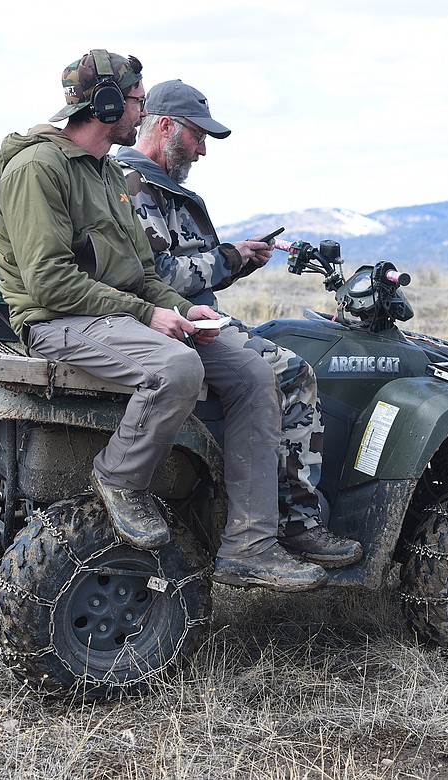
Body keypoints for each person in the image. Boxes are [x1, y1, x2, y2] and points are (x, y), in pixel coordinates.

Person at [0, 49, 327, 592]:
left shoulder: (104, 174)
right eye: (136, 102)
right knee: (177, 368)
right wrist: (150, 314)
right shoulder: (38, 170)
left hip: (115, 316)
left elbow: (142, 272)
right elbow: (50, 283)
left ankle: (251, 544)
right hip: (58, 321)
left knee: (252, 373)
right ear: (103, 105)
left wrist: (179, 305)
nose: (141, 114)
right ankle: (120, 477)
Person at [115, 79, 362, 569]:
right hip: (173, 322)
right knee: (292, 374)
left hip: (190, 316)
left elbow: (184, 260)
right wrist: (226, 258)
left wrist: (237, 258)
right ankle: (296, 523)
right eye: (196, 136)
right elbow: (159, 276)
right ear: (163, 126)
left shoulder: (160, 186)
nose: (203, 149)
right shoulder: (133, 185)